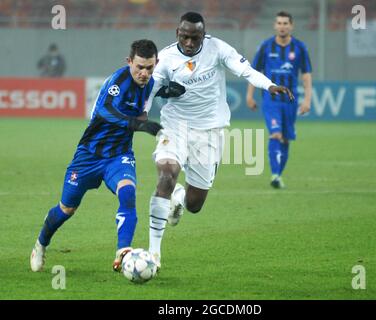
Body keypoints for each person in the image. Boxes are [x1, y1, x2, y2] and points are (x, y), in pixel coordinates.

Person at [143, 12, 294, 268]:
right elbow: (149, 91)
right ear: (177, 34)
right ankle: (154, 254)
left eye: (195, 37)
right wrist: (142, 117)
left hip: (210, 131)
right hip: (175, 127)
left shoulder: (217, 48)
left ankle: (178, 198)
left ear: (204, 35)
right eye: (185, 37)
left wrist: (269, 85)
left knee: (194, 205)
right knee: (167, 174)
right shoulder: (166, 59)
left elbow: (245, 70)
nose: (189, 43)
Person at [30, 40, 183, 273]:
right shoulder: (118, 82)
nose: (144, 73)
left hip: (119, 155)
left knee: (128, 191)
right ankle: (40, 244)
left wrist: (165, 90)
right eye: (139, 67)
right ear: (129, 61)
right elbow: (104, 111)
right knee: (66, 209)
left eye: (149, 68)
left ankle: (122, 251)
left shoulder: (148, 82)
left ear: (156, 64)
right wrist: (136, 124)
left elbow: (148, 90)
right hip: (89, 155)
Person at [246, 11, 313, 189]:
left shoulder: (300, 48)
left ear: (291, 26)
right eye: (279, 23)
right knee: (275, 134)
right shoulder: (266, 47)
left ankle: (278, 174)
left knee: (285, 139)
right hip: (271, 98)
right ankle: (274, 175)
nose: (282, 26)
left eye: (285, 23)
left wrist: (307, 100)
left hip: (290, 100)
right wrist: (250, 95)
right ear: (275, 26)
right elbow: (254, 72)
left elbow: (306, 75)